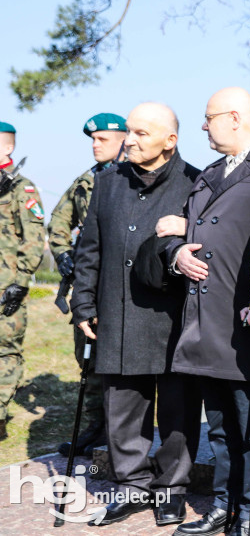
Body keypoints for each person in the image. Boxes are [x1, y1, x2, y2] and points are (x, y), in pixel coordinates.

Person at [159, 89, 250, 536]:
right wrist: (176, 251)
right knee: (218, 425)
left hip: (245, 317)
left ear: (234, 117)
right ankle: (223, 505)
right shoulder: (211, 173)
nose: (203, 126)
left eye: (208, 118)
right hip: (203, 319)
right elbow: (181, 228)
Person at [70, 103, 202, 527]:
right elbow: (90, 249)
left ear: (170, 140)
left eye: (142, 133)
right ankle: (131, 486)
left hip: (171, 315)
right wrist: (83, 304)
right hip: (116, 310)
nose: (130, 140)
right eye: (129, 131)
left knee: (178, 408)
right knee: (123, 404)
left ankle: (171, 488)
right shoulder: (108, 183)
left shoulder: (195, 183)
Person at [47, 111, 127, 457]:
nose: (95, 145)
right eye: (92, 140)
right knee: (89, 357)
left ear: (124, 137)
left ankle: (121, 431)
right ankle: (96, 428)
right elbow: (57, 221)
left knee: (124, 363)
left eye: (102, 139)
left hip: (123, 287)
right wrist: (64, 255)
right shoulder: (84, 181)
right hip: (88, 285)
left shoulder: (132, 177)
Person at [0, 121, 45, 441]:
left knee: (5, 351)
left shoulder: (22, 188)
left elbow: (33, 238)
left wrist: (21, 280)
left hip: (5, 285)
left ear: (7, 148)